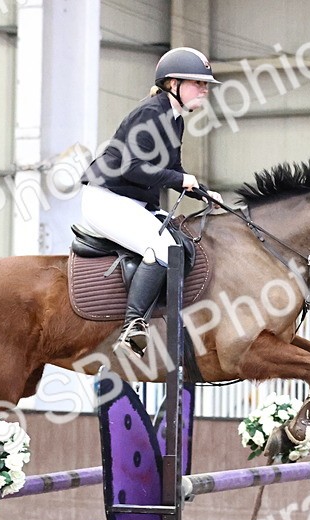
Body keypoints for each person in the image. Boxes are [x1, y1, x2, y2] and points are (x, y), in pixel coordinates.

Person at [80, 46, 222, 355]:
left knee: (180, 241)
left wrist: (202, 191)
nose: (205, 90)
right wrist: (181, 180)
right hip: (105, 198)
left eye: (206, 84)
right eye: (198, 83)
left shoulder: (175, 119)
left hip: (131, 201)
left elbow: (173, 169)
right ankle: (133, 325)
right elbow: (132, 168)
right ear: (173, 84)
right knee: (163, 248)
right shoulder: (151, 113)